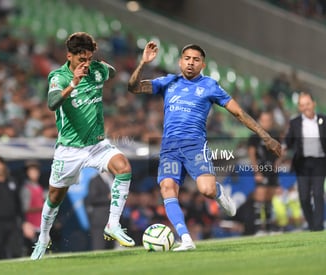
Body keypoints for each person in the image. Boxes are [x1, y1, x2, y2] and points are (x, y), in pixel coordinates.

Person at [128, 42, 282, 251]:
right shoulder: (168, 82)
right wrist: (143, 62)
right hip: (169, 148)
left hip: (194, 146)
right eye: (187, 59)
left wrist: (266, 137)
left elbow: (238, 113)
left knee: (206, 190)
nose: (191, 63)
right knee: (167, 188)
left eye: (196, 60)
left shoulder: (210, 86)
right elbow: (134, 87)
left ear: (203, 64)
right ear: (180, 61)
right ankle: (186, 239)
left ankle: (217, 191)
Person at [30, 32, 134, 260]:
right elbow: (52, 103)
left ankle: (113, 225)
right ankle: (43, 239)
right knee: (55, 196)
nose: (85, 64)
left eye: (89, 58)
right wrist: (74, 83)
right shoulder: (59, 77)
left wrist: (100, 65)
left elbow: (113, 72)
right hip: (70, 148)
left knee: (124, 167)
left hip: (97, 144)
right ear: (69, 56)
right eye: (81, 60)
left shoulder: (96, 69)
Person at [284, 91, 326, 231]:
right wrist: (283, 147)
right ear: (299, 107)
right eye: (302, 105)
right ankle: (312, 223)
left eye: (307, 104)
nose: (306, 107)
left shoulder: (323, 120)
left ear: (313, 104)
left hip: (320, 162)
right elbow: (289, 140)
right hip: (302, 164)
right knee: (303, 197)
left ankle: (318, 226)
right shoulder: (295, 122)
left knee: (318, 193)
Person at [247, 110, 281, 234]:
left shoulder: (275, 135)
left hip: (272, 170)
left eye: (268, 120)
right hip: (261, 170)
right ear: (259, 121)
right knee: (260, 197)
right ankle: (258, 228)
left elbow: (280, 151)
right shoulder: (254, 137)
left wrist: (278, 162)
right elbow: (252, 154)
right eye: (264, 120)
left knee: (269, 198)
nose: (266, 123)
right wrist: (256, 171)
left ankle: (268, 227)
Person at [84, 172, 115, 250]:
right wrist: (107, 198)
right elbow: (92, 199)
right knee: (99, 247)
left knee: (111, 248)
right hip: (100, 220)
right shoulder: (95, 180)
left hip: (112, 220)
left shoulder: (114, 178)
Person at [20, 159, 45, 255]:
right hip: (31, 225)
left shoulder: (39, 187)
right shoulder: (26, 188)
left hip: (40, 224)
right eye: (32, 171)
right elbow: (25, 208)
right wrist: (42, 208)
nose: (35, 173)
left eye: (36, 171)